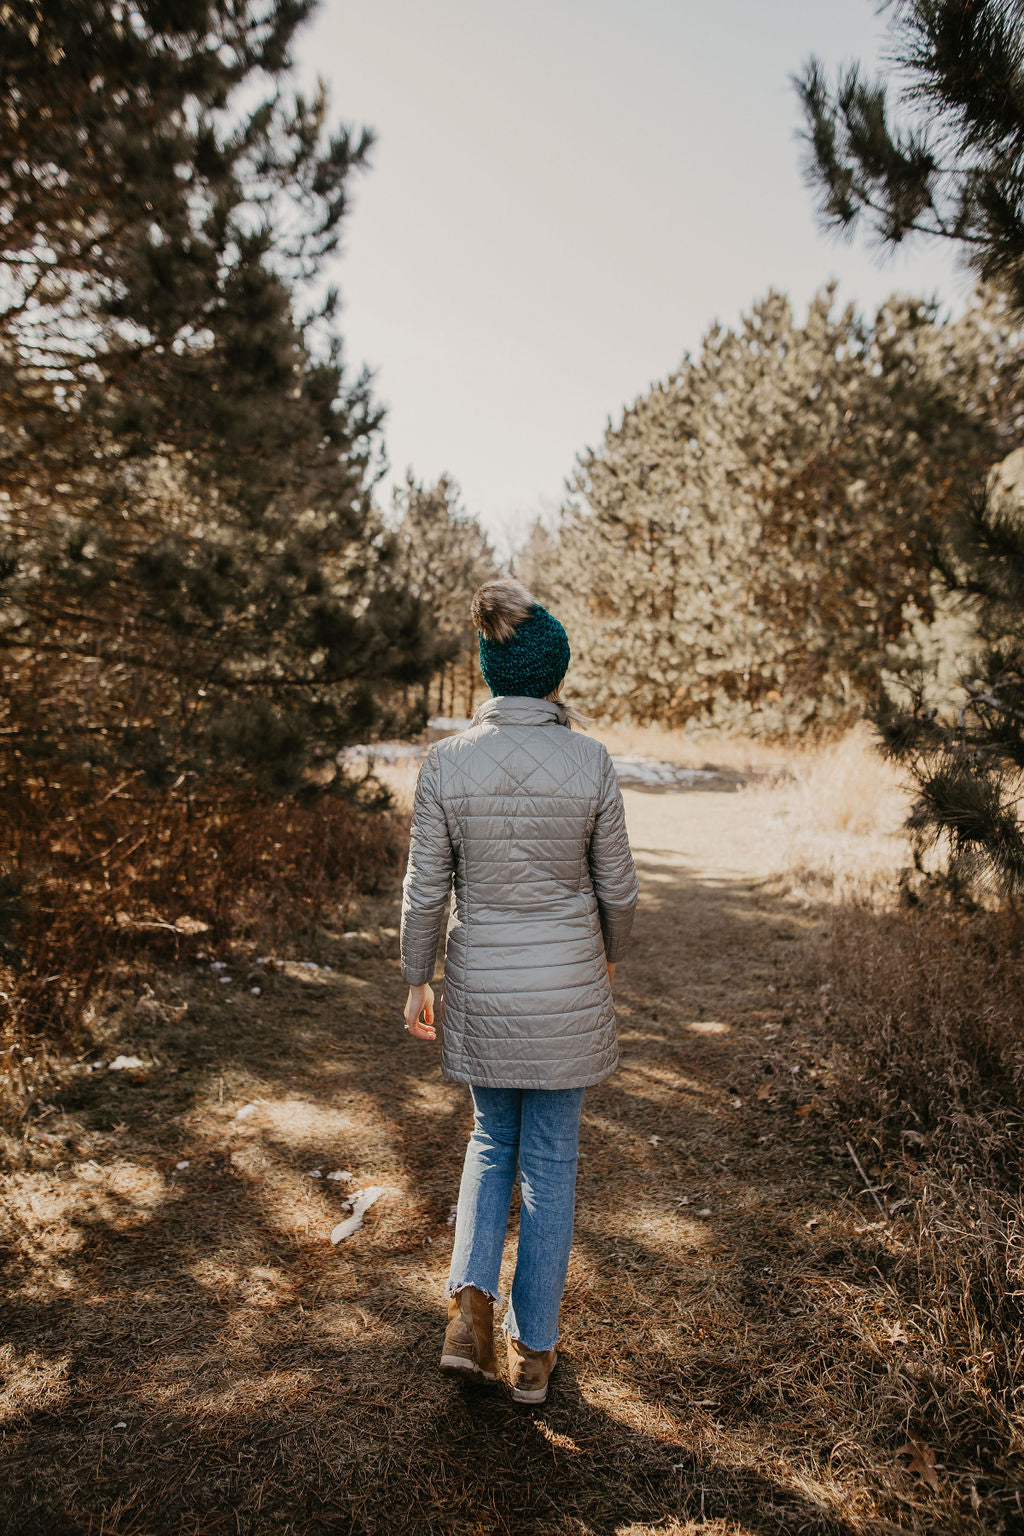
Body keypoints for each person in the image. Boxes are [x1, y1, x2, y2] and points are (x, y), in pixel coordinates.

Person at [399, 578, 639, 1404]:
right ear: (555, 673)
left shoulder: (449, 761)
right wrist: (608, 958)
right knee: (551, 1163)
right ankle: (534, 1353)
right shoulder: (592, 760)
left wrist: (414, 977)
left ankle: (468, 1317)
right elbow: (621, 890)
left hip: (485, 987)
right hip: (566, 985)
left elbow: (425, 888)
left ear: (491, 672)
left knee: (491, 1144)